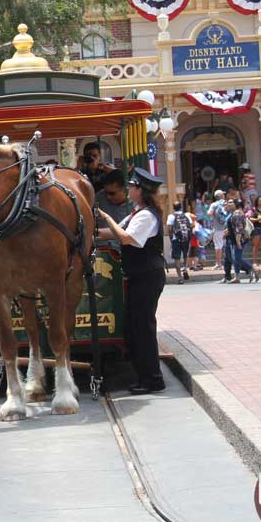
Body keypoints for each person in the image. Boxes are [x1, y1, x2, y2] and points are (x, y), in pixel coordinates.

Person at [96, 168, 167, 395]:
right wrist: (90, 231)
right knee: (133, 328)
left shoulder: (147, 215)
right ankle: (143, 376)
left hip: (147, 275)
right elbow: (113, 233)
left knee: (143, 328)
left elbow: (127, 238)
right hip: (139, 275)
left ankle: (153, 379)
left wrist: (107, 217)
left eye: (133, 186)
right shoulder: (138, 212)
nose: (130, 190)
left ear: (141, 191)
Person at [227, 199, 259, 284]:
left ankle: (253, 268)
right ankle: (237, 276)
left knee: (237, 258)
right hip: (235, 239)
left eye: (231, 202)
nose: (228, 204)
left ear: (236, 204)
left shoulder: (237, 213)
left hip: (240, 239)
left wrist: (238, 242)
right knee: (235, 258)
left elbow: (239, 228)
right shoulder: (234, 213)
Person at [165, 202, 192, 284]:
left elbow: (169, 228)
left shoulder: (171, 216)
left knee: (177, 258)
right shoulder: (187, 215)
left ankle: (180, 278)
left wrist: (170, 238)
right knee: (185, 255)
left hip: (175, 239)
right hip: (186, 238)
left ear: (173, 208)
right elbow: (191, 226)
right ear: (181, 207)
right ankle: (184, 268)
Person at [207, 190, 228, 270]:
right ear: (222, 195)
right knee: (225, 246)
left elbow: (209, 213)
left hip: (217, 228)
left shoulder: (214, 204)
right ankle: (227, 262)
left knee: (218, 246)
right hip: (226, 228)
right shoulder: (226, 203)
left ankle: (219, 264)